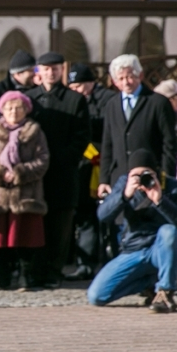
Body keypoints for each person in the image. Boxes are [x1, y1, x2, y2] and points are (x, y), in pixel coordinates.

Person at [88, 149, 177, 312]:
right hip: (133, 250)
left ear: (156, 172)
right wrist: (124, 195)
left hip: (161, 250)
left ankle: (165, 292)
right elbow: (103, 216)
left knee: (170, 231)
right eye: (136, 175)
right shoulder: (124, 183)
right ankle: (148, 282)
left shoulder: (172, 186)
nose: (142, 180)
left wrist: (160, 200)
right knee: (97, 296)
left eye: (147, 174)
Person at [24, 52, 90, 288]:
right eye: (46, 68)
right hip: (33, 176)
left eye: (55, 68)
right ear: (38, 72)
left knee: (59, 227)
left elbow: (82, 137)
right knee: (33, 224)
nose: (50, 72)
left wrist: (63, 159)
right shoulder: (28, 99)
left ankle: (53, 272)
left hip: (62, 174)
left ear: (62, 70)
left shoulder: (75, 99)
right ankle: (33, 271)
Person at [0, 91, 49, 291]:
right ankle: (3, 277)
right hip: (0, 196)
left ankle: (24, 276)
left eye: (18, 107)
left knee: (24, 238)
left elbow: (43, 160)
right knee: (0, 239)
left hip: (26, 195)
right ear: (2, 110)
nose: (13, 111)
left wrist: (19, 173)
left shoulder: (34, 131)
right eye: (9, 108)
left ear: (26, 110)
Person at [98, 54, 177, 199]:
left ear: (140, 76)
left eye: (130, 77)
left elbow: (169, 143)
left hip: (150, 178)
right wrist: (103, 179)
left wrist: (166, 177)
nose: (126, 82)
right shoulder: (111, 104)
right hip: (120, 178)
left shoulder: (157, 103)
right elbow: (107, 143)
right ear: (114, 82)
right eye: (120, 79)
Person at [66, 63, 117, 279]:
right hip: (84, 166)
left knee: (109, 216)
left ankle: (111, 263)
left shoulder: (107, 100)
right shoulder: (72, 101)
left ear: (91, 83)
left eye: (80, 85)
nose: (76, 90)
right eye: (73, 86)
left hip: (106, 165)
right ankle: (85, 265)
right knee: (85, 216)